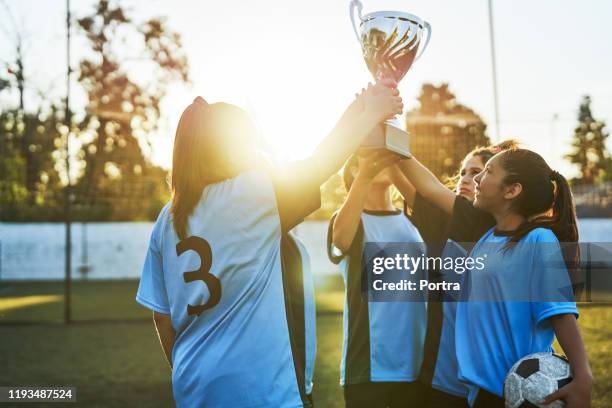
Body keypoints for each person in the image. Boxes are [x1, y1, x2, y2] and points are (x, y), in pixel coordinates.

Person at [135, 79, 403, 407]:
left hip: (193, 386)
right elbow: (323, 160)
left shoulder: (167, 218)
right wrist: (371, 112)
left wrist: (360, 109)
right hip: (261, 390)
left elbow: (161, 317)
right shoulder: (249, 193)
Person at [454, 148, 592, 407]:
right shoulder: (486, 239)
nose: (477, 178)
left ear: (511, 190)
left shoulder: (538, 240)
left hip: (514, 390)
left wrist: (583, 377)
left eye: (487, 171)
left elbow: (560, 314)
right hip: (479, 391)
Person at [389, 140, 518, 407]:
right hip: (439, 372)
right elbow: (410, 185)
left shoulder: (487, 224)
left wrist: (388, 138)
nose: (468, 179)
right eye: (463, 172)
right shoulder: (444, 221)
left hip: (482, 377)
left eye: (477, 172)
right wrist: (381, 150)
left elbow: (428, 186)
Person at [327, 150, 429, 408]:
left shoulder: (413, 221)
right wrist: (365, 175)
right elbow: (340, 240)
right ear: (353, 170)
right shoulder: (350, 220)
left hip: (418, 365)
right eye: (371, 155)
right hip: (368, 368)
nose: (381, 159)